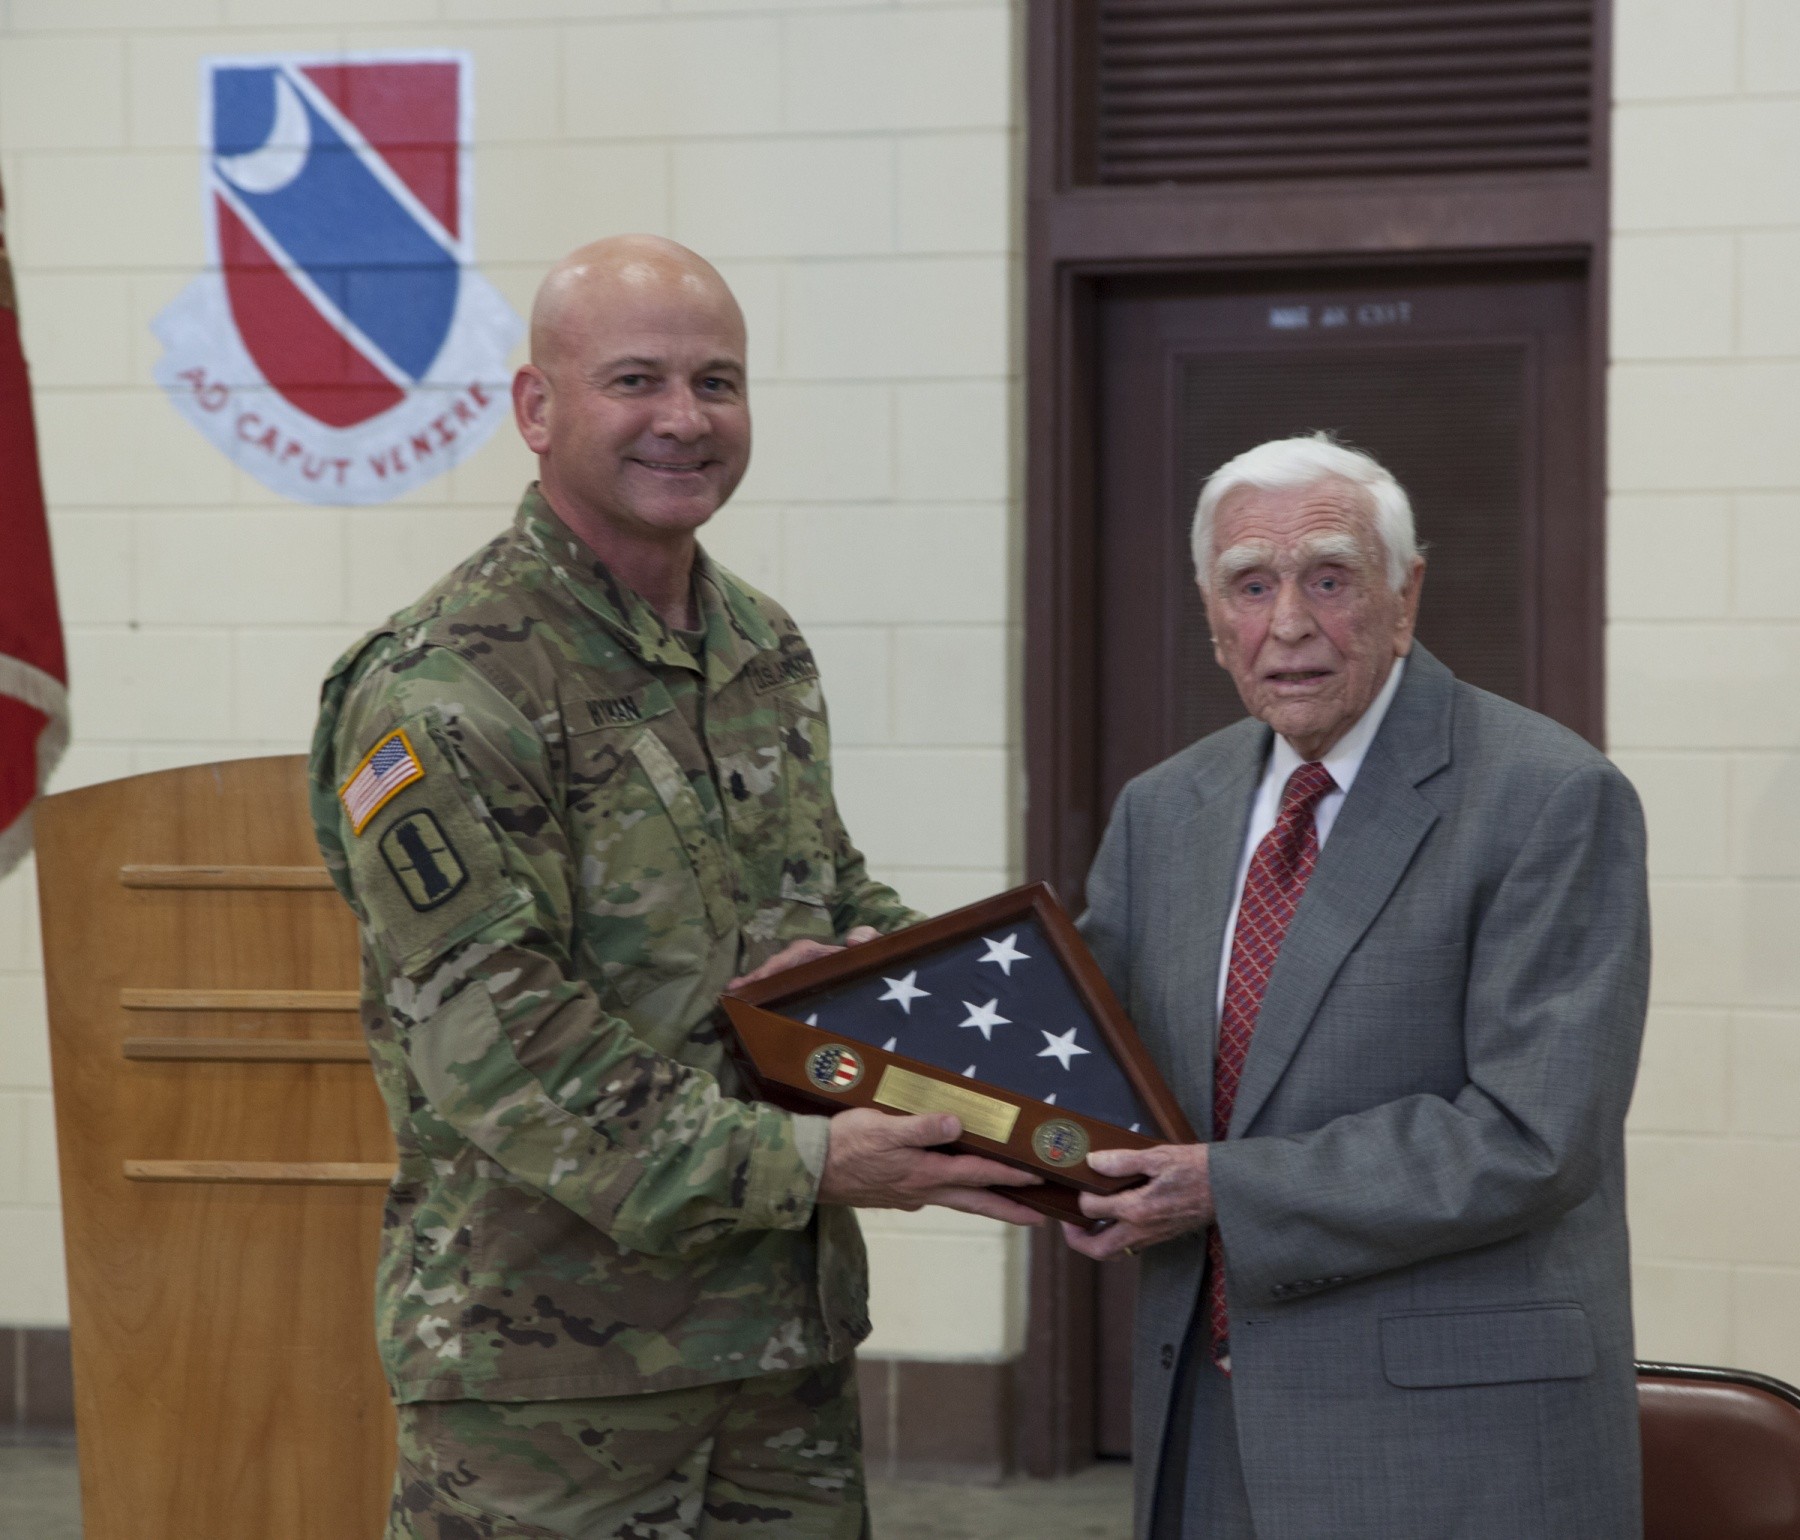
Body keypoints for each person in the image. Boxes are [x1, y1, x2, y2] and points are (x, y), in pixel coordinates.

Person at [308, 234, 1041, 1539]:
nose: (684, 420)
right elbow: (504, 1050)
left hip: (778, 1356)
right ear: (536, 408)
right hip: (552, 1385)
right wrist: (812, 1161)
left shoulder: (761, 646)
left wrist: (987, 1046)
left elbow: (833, 901)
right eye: (636, 380)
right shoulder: (445, 687)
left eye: (719, 382)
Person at [1066, 434, 1649, 1539]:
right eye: (1251, 585)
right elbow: (1083, 1047)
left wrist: (1223, 1190)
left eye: (1328, 579)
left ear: (1404, 593)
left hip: (1455, 1445)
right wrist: (863, 985)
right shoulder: (1163, 811)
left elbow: (1535, 1134)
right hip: (1208, 1425)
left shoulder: (1551, 796)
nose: (1287, 624)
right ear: (1210, 609)